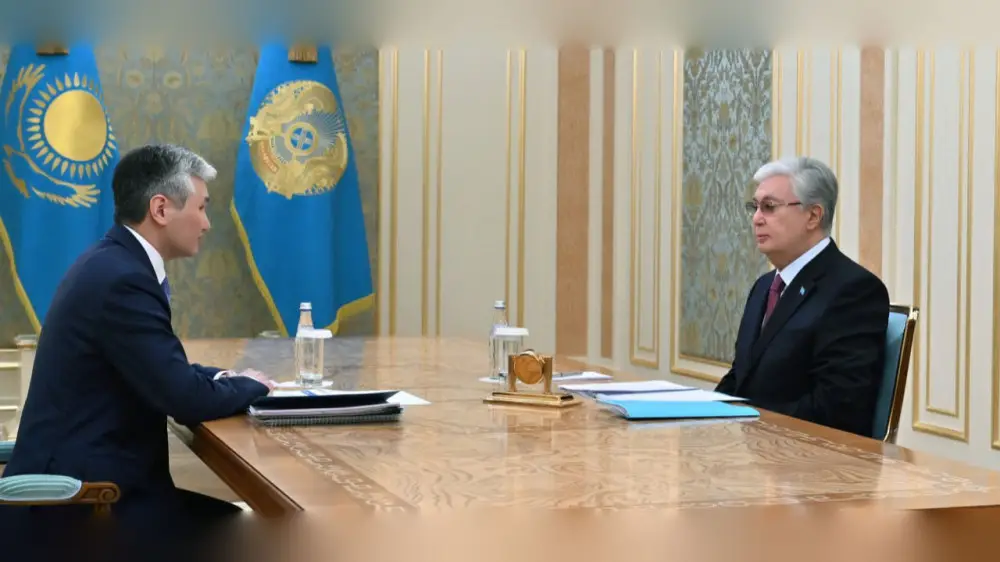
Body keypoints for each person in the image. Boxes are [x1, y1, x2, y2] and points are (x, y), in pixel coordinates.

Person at [0, 144, 276, 533]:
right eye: (201, 208)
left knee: (255, 526)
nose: (206, 223)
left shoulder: (110, 262)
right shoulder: (123, 279)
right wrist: (254, 386)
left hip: (91, 488)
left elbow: (159, 368)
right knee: (270, 534)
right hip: (82, 510)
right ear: (160, 209)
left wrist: (221, 377)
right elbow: (183, 398)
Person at [715, 157, 889, 437]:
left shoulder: (853, 291)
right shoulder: (763, 287)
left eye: (769, 207)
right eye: (754, 207)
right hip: (752, 448)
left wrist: (748, 421)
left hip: (809, 456)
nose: (756, 218)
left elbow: (836, 409)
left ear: (813, 216)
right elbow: (740, 378)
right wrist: (701, 414)